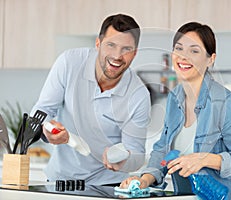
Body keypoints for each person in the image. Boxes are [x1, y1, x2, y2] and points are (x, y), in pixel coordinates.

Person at [120, 22, 231, 199]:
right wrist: (144, 179)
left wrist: (205, 159)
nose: (184, 57)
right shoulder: (175, 98)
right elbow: (163, 150)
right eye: (179, 48)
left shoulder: (225, 103)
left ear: (210, 59)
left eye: (194, 51)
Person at [30, 14, 151, 185]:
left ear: (135, 53)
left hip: (108, 185)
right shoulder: (69, 63)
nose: (117, 56)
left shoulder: (138, 95)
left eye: (126, 49)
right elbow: (41, 112)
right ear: (98, 44)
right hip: (60, 181)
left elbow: (137, 155)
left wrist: (123, 160)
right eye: (111, 45)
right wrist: (46, 130)